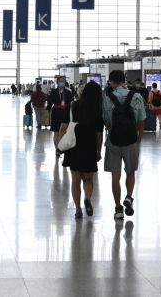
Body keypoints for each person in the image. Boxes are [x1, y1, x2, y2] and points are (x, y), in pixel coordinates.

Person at [103, 70, 146, 220]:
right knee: (130, 171)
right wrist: (138, 138)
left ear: (112, 82)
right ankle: (128, 197)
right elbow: (141, 120)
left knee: (116, 175)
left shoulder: (108, 99)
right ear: (124, 81)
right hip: (131, 140)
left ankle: (118, 209)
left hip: (113, 141)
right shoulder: (137, 97)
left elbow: (106, 122)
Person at [63, 81, 104, 219]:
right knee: (88, 179)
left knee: (75, 180)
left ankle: (78, 210)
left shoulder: (74, 105)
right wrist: (98, 151)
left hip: (74, 145)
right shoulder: (98, 109)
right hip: (89, 146)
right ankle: (87, 198)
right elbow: (99, 134)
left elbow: (65, 125)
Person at [48, 78, 74, 155]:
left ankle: (63, 148)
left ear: (64, 82)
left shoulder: (68, 92)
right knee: (56, 132)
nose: (61, 83)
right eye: (60, 82)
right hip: (55, 113)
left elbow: (71, 103)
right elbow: (49, 103)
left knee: (64, 132)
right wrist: (47, 111)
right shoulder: (53, 92)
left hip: (65, 113)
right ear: (57, 83)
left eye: (62, 82)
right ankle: (57, 149)